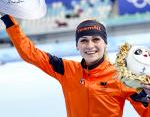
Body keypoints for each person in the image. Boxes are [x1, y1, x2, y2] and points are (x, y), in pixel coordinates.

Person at [0, 14, 150, 117]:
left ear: (105, 43)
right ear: (77, 45)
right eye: (83, 40)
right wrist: (8, 20)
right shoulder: (66, 69)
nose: (90, 45)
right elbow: (30, 53)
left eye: (96, 39)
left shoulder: (122, 78)